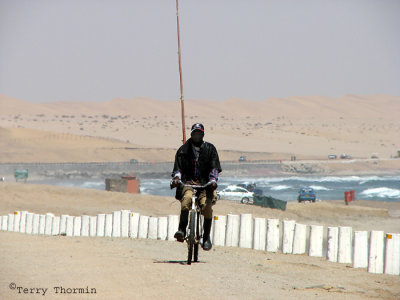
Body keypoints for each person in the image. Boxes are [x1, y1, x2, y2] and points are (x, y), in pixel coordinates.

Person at [170, 123, 222, 251]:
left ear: (203, 135)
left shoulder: (210, 149)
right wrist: (177, 178)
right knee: (186, 200)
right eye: (195, 133)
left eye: (200, 133)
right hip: (188, 183)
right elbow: (178, 169)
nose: (197, 135)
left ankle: (206, 237)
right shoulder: (183, 150)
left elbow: (214, 168)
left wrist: (213, 180)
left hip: (205, 185)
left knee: (207, 207)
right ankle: (182, 230)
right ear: (191, 134)